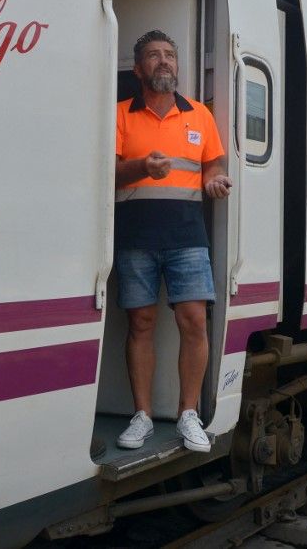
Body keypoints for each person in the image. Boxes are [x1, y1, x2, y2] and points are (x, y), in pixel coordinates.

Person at [113, 30, 232, 453]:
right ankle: (142, 416)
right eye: (153, 56)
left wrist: (215, 181)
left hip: (187, 236)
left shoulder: (199, 115)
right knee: (140, 325)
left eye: (169, 55)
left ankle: (188, 414)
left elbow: (213, 165)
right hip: (135, 236)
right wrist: (142, 167)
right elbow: (108, 173)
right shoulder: (120, 115)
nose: (163, 62)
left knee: (194, 322)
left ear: (178, 66)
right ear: (138, 66)